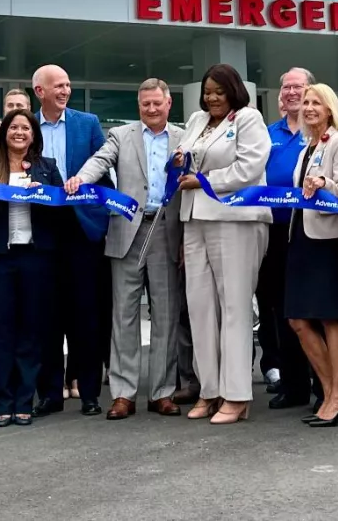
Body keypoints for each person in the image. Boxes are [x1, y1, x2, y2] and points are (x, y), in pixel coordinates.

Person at [65, 77, 184, 419]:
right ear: (138, 105)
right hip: (127, 231)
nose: (151, 109)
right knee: (124, 316)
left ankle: (162, 392)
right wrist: (81, 179)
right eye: (145, 104)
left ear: (168, 103)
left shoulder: (184, 137)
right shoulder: (120, 135)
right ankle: (123, 394)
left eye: (157, 103)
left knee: (165, 316)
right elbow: (100, 160)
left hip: (166, 230)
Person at [174, 63, 271, 425]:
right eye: (207, 92)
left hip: (235, 219)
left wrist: (203, 180)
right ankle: (209, 390)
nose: (212, 98)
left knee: (234, 307)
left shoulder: (248, 119)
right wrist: (178, 162)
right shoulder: (197, 121)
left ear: (233, 91)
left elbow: (249, 168)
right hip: (194, 219)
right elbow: (184, 158)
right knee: (200, 309)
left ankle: (237, 395)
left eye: (219, 91)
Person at [0, 108, 65, 426]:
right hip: (0, 259)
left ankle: (24, 401)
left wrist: (44, 196)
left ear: (33, 135)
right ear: (5, 133)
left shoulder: (47, 167)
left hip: (36, 259)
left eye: (26, 128)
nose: (20, 133)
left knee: (30, 331)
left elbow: (61, 214)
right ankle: (1, 403)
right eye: (14, 127)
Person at [32, 64, 108, 417]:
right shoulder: (26, 125)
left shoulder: (87, 123)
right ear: (40, 92)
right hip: (41, 229)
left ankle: (89, 392)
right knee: (47, 316)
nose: (64, 91)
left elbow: (104, 172)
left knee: (86, 314)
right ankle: (50, 394)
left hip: (81, 229)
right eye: (58, 86)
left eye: (67, 85)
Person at [284, 83, 338, 427]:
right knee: (298, 320)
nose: (309, 107)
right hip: (301, 236)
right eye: (306, 102)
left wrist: (323, 182)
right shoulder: (305, 148)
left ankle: (337, 396)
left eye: (317, 103)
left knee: (329, 318)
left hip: (329, 239)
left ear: (330, 109)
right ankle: (330, 393)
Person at [257, 66, 315, 410]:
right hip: (273, 231)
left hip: (310, 230)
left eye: (298, 87)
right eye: (287, 87)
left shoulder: (320, 131)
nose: (292, 92)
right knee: (277, 306)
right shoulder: (267, 134)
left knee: (309, 308)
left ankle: (317, 378)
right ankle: (290, 381)